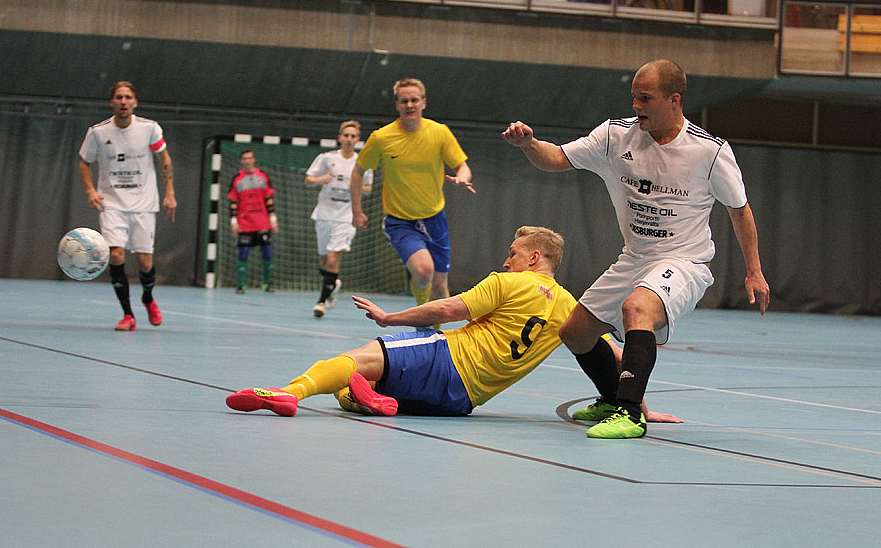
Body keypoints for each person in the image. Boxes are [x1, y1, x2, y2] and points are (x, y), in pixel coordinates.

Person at [502, 59, 770, 439]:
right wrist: (529, 144)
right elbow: (557, 158)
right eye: (634, 97)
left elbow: (739, 210)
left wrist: (754, 271)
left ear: (674, 100)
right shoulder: (615, 136)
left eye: (646, 98)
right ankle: (613, 399)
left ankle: (630, 414)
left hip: (685, 261)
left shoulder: (709, 152)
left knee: (636, 308)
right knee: (576, 333)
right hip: (635, 258)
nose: (636, 106)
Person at [225, 226, 680, 421]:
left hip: (449, 360)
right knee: (352, 389)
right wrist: (636, 403)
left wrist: (390, 317)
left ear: (534, 258)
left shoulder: (509, 282)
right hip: (462, 401)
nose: (506, 259)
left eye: (513, 253)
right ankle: (371, 400)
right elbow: (613, 357)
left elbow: (445, 311)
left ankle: (289, 393)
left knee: (356, 358)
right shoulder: (570, 309)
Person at [350, 78, 475, 310]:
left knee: (439, 289)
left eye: (414, 100)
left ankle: (433, 333)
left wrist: (462, 177)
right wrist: (357, 211)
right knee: (423, 271)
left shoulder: (439, 133)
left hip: (434, 218)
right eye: (404, 101)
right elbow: (358, 172)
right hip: (399, 221)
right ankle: (422, 320)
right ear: (397, 104)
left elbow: (462, 165)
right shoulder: (381, 138)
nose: (410, 105)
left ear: (423, 103)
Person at [79, 81, 176, 331]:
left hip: (144, 203)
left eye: (128, 97)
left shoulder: (149, 129)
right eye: (119, 97)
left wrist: (170, 193)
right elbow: (84, 161)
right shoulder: (98, 132)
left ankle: (148, 297)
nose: (123, 101)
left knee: (145, 262)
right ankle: (128, 315)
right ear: (112, 102)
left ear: (135, 102)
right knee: (115, 254)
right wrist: (91, 190)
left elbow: (164, 158)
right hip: (111, 203)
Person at [304, 120, 373, 317]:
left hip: (346, 215)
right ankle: (332, 284)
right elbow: (308, 179)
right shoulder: (326, 158)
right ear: (340, 138)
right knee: (324, 261)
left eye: (353, 136)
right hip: (325, 213)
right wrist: (320, 179)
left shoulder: (362, 163)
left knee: (334, 259)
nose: (349, 139)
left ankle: (321, 302)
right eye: (346, 136)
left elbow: (368, 188)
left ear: (357, 140)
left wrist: (356, 186)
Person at [228, 150, 278, 294]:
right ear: (241, 161)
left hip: (262, 223)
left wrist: (273, 219)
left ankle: (268, 284)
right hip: (245, 224)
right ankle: (241, 285)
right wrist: (233, 221)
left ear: (254, 160)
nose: (247, 161)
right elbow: (233, 202)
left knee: (267, 252)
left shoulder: (262, 177)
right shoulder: (237, 179)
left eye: (250, 158)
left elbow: (269, 200)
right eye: (244, 158)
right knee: (243, 253)